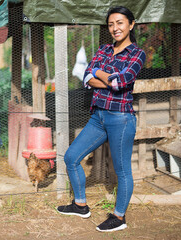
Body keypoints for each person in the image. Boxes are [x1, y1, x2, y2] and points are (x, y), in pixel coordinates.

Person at [56, 6, 146, 232]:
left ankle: (119, 217)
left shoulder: (137, 54)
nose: (115, 28)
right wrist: (103, 77)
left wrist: (99, 74)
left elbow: (122, 82)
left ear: (131, 24)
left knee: (122, 170)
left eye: (120, 22)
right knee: (71, 157)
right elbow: (86, 78)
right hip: (98, 116)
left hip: (121, 118)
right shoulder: (104, 49)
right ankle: (80, 205)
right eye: (111, 24)